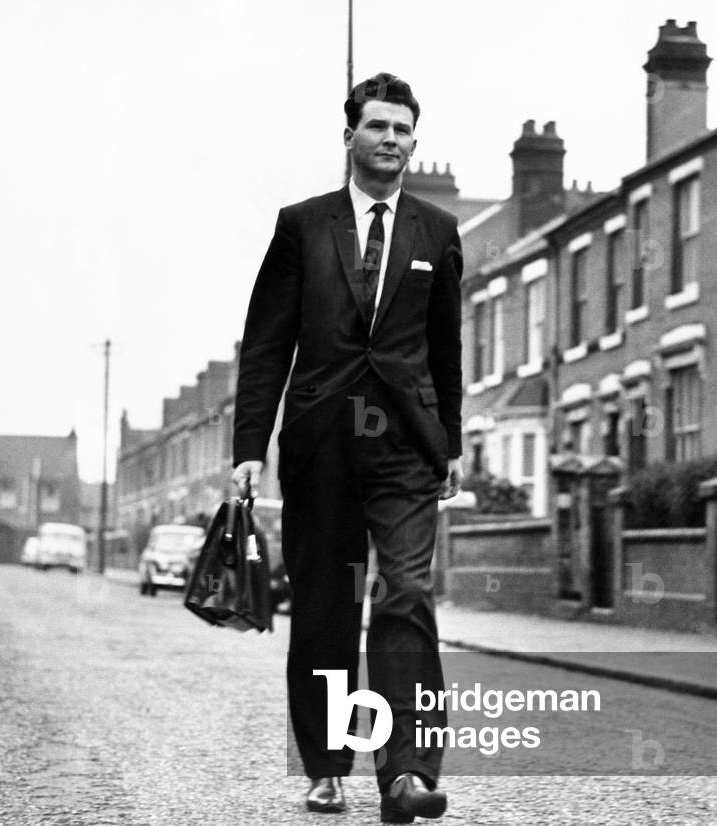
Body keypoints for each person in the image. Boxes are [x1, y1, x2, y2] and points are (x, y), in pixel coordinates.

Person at [231, 72, 463, 822]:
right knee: (327, 609)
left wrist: (448, 441)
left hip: (404, 447)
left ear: (414, 140)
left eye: (402, 129)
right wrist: (248, 447)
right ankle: (328, 765)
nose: (391, 139)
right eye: (377, 127)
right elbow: (266, 343)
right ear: (350, 137)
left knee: (406, 595)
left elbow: (445, 347)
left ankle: (408, 773)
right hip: (321, 441)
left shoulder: (436, 231)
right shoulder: (303, 225)